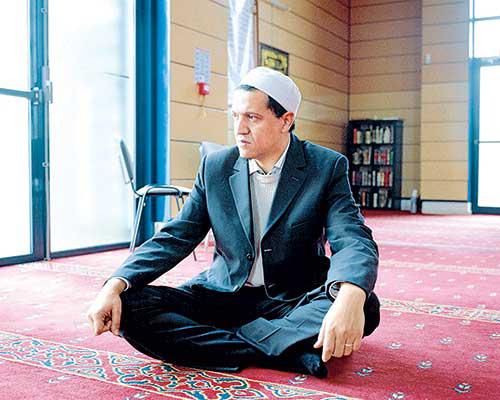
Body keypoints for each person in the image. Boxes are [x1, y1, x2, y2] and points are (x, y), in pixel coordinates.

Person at [87, 66, 380, 378]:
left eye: (252, 117)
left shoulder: (325, 166)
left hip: (292, 299)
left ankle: (225, 344)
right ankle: (285, 352)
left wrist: (350, 296)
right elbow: (177, 235)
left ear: (286, 120)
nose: (239, 129)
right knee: (128, 306)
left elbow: (352, 237)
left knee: (364, 305)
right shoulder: (215, 167)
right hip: (223, 296)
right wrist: (116, 283)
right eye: (235, 116)